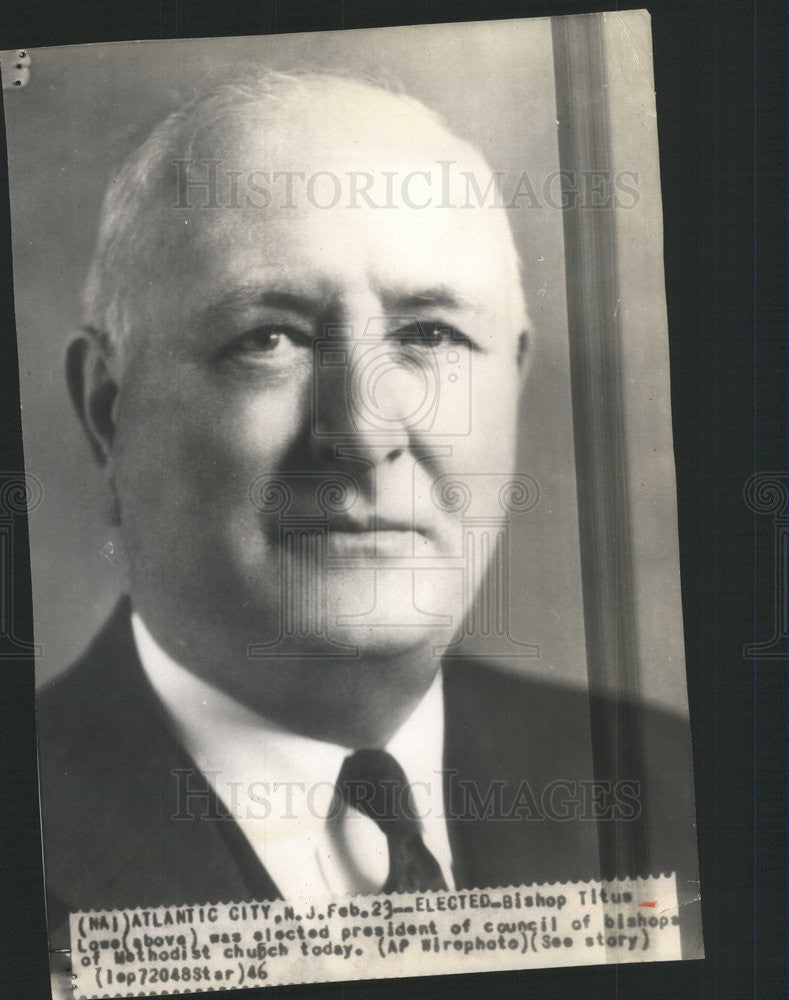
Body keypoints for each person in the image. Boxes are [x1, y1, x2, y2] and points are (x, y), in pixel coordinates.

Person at [37, 71, 700, 959]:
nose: (361, 431)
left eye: (428, 335)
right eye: (268, 338)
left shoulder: (678, 784)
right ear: (108, 409)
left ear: (512, 377)